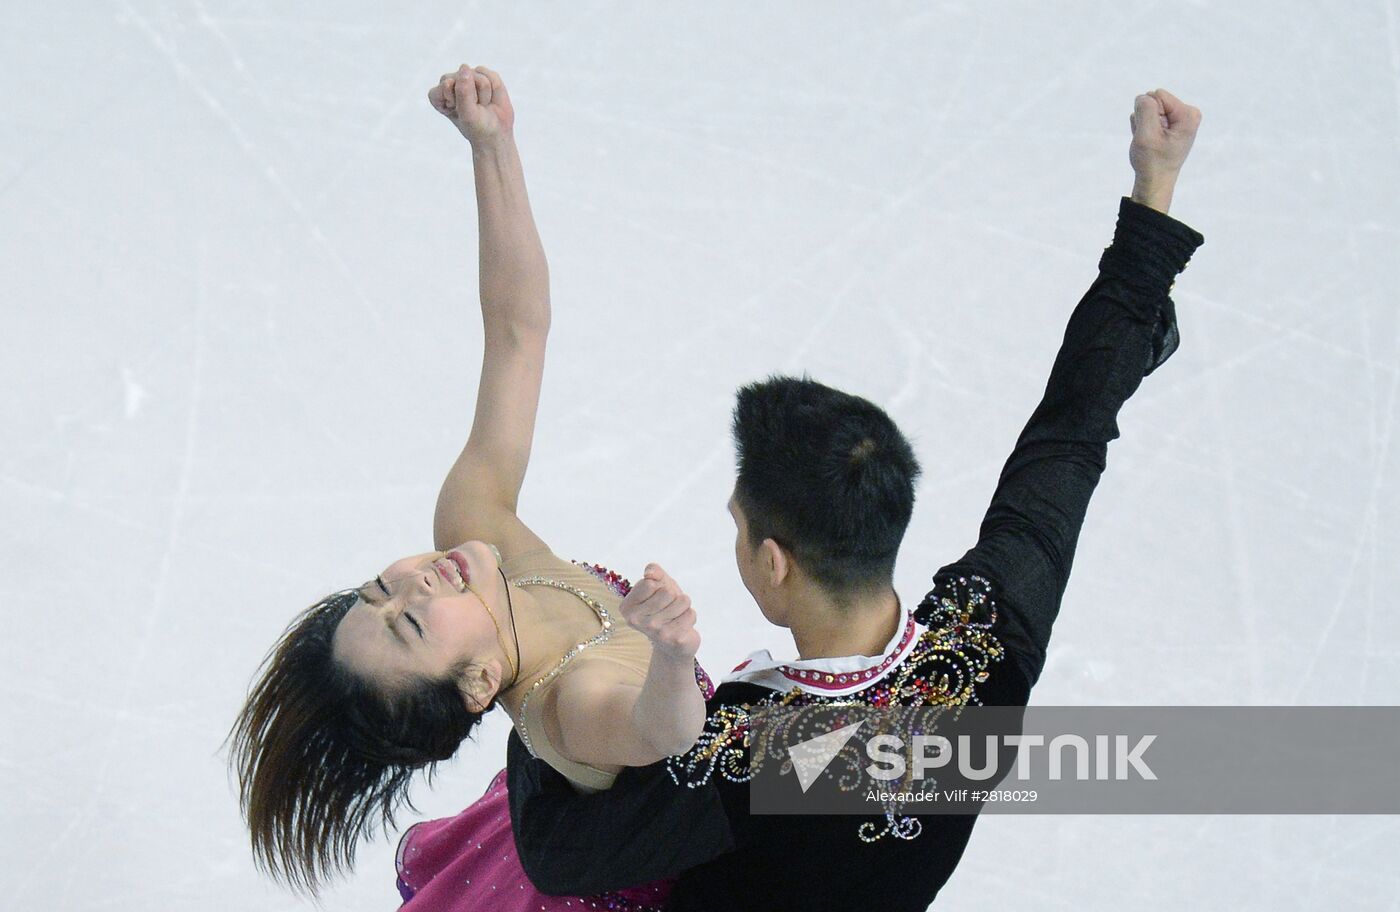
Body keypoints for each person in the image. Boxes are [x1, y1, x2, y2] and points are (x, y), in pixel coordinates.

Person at [504, 88, 1207, 911]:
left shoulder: (755, 756)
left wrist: (543, 675)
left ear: (775, 561)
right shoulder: (988, 642)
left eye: (739, 527)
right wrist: (1153, 191)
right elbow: (1070, 436)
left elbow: (559, 858)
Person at [227, 64, 714, 912]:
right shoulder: (571, 707)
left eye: (381, 588)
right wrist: (670, 658)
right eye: (410, 621)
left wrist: (493, 150)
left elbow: (517, 332)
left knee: (983, 752)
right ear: (482, 683)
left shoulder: (478, 532)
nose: (414, 580)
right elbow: (663, 730)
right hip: (730, 820)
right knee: (981, 760)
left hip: (749, 773)